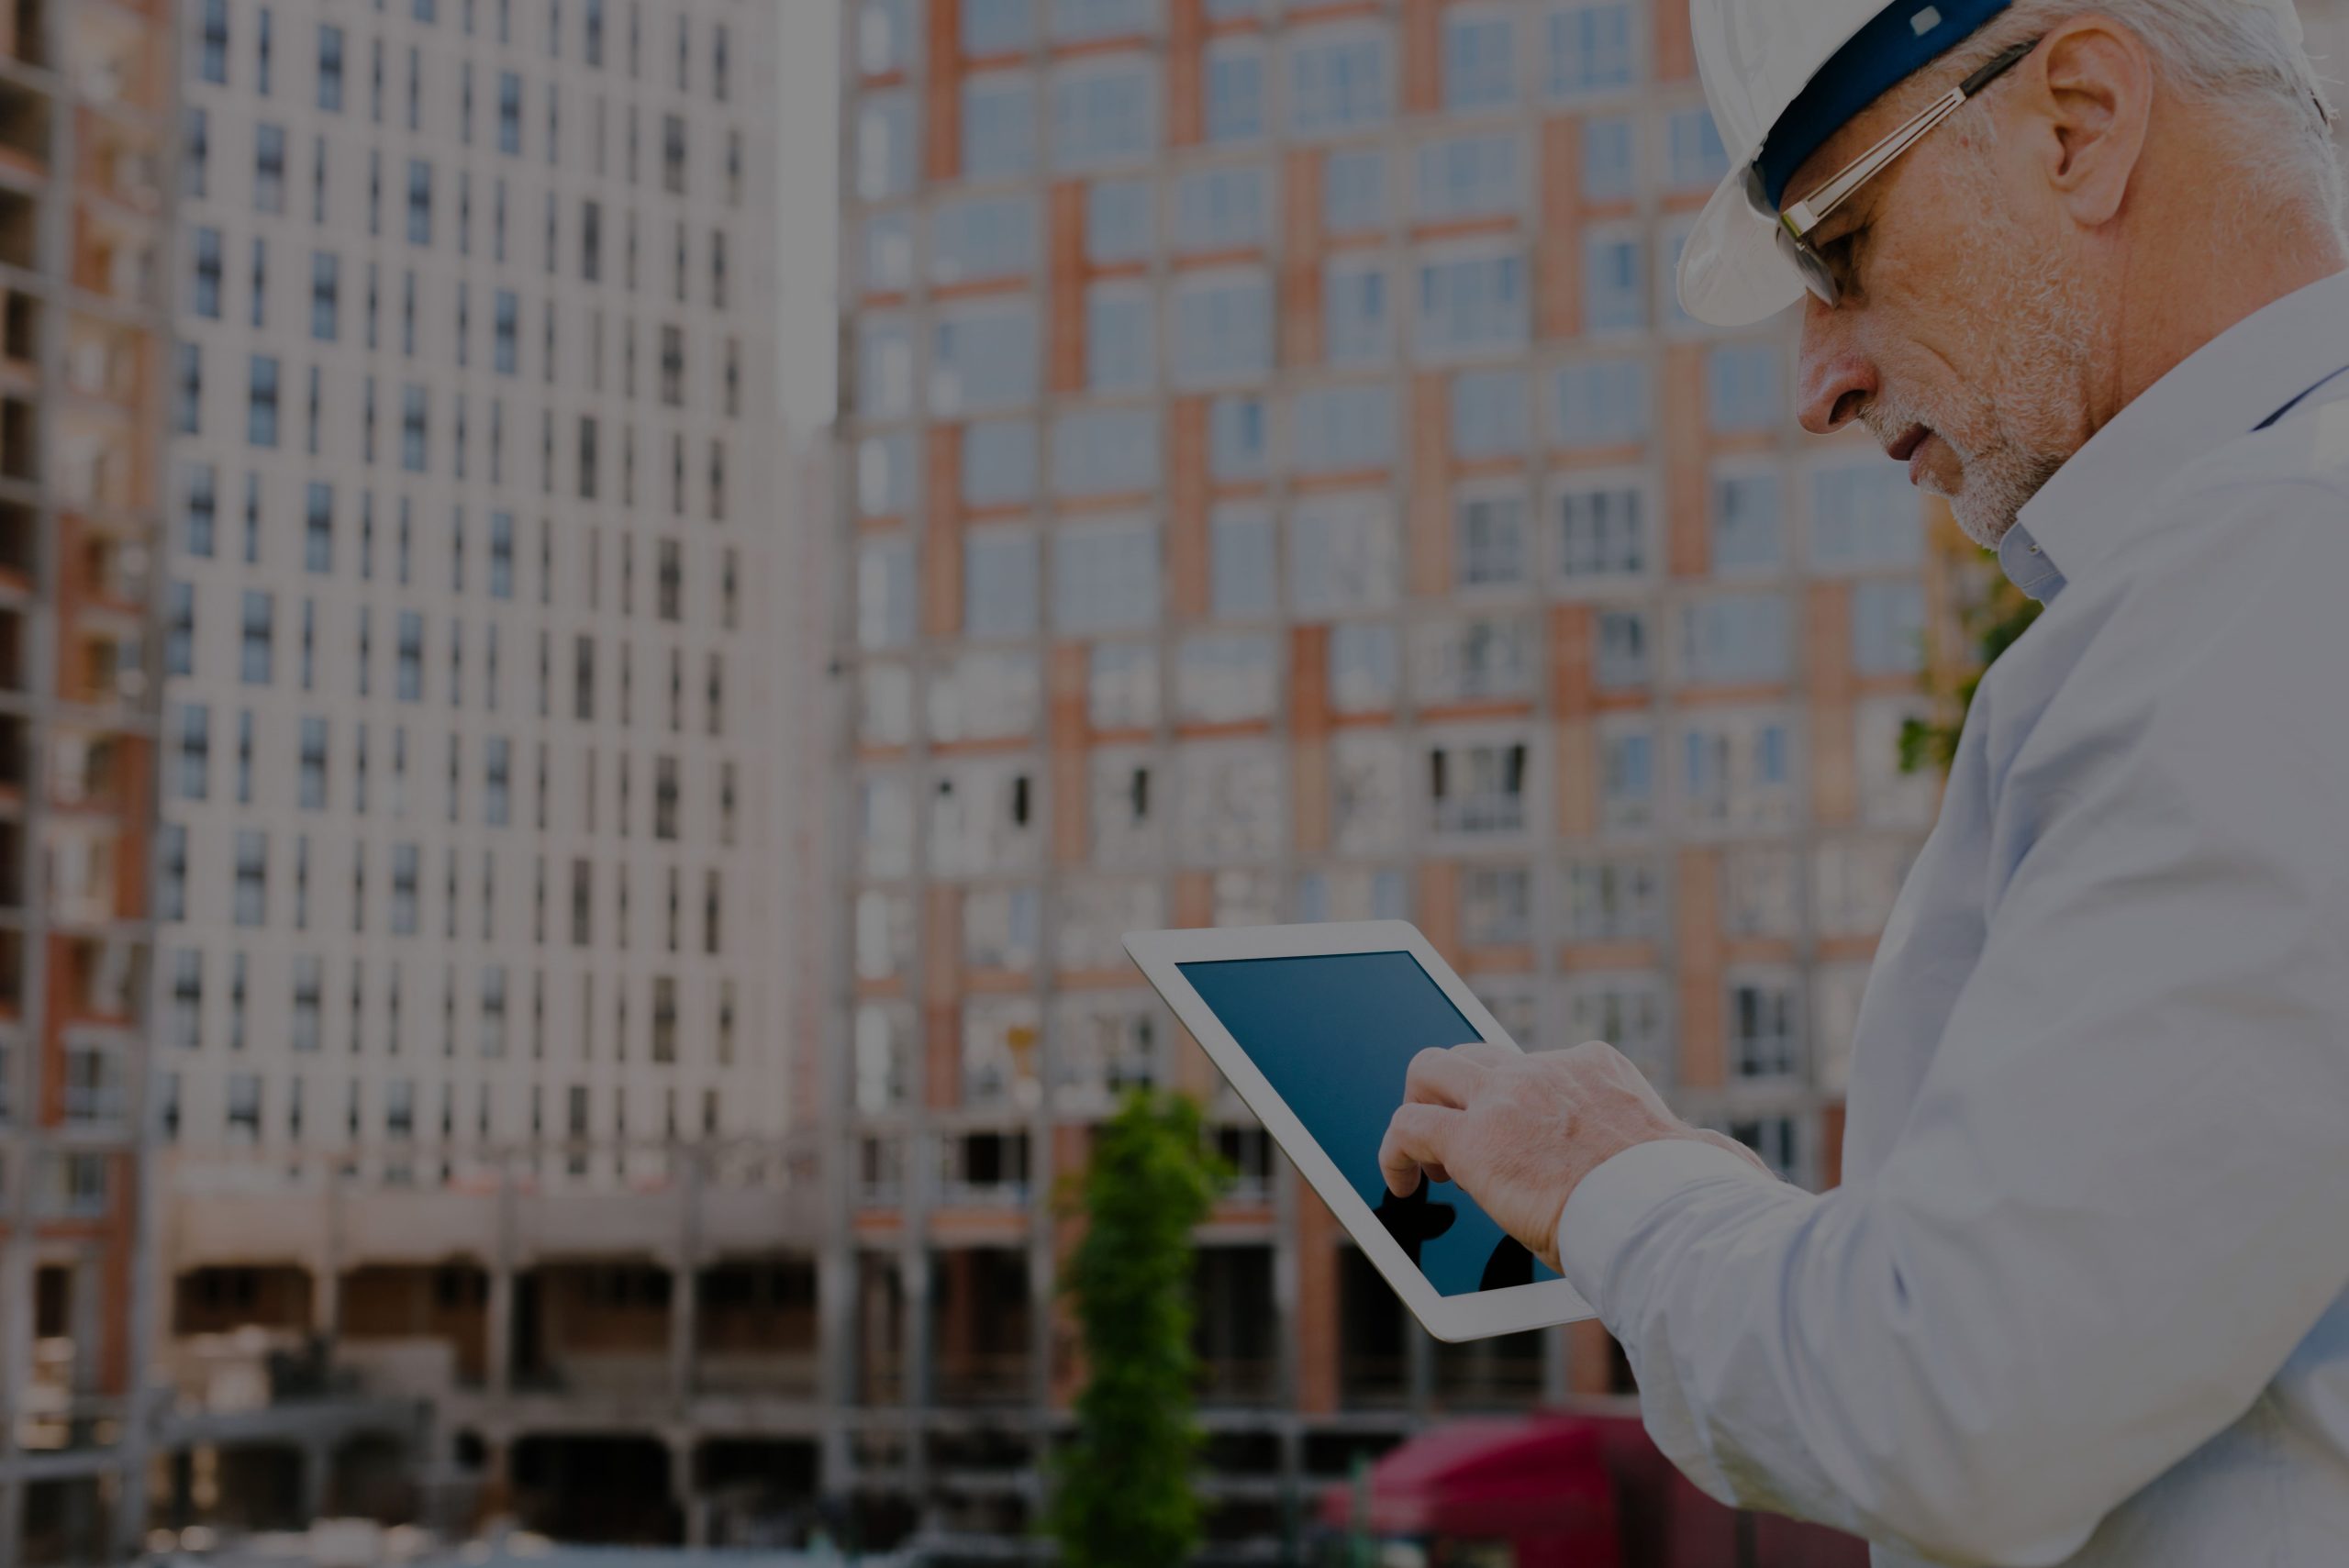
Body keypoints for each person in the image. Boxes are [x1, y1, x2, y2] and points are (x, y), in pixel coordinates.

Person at [1376, 1, 2349, 1563]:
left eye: (1839, 242)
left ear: (2079, 121)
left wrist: (1610, 1179)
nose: (1815, 383)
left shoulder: (2276, 569)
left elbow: (1958, 1393)